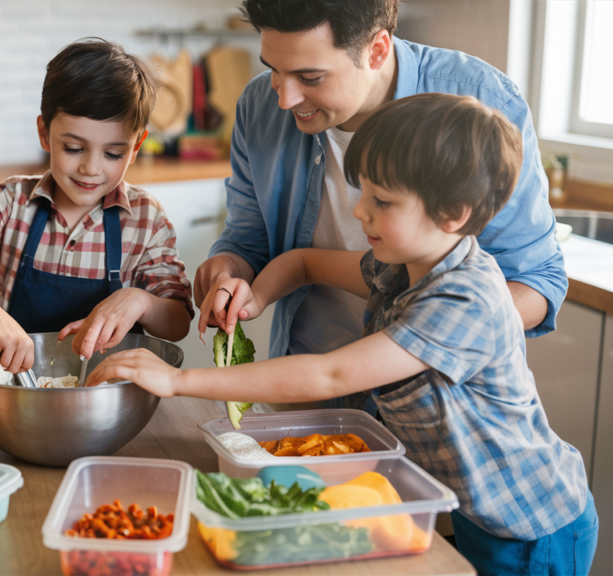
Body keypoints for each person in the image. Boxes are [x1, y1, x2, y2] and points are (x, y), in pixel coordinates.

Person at [85, 94, 597, 576]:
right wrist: (258, 297)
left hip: (533, 525)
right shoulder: (405, 267)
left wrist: (178, 382)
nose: (359, 212)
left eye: (382, 201)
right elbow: (304, 262)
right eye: (362, 193)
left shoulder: (466, 299)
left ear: (453, 215)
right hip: (477, 509)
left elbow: (332, 373)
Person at [193, 0, 566, 411]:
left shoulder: (481, 102)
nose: (285, 99)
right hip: (306, 390)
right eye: (274, 71)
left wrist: (421, 339)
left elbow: (537, 279)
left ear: (377, 49)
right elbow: (255, 244)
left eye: (310, 77)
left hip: (438, 412)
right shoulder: (258, 106)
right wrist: (229, 271)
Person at [0, 39, 194, 373]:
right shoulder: (14, 204)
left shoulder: (145, 218)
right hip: (22, 396)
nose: (91, 168)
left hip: (110, 396)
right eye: (73, 148)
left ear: (137, 144)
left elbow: (178, 323)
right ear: (44, 133)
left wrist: (140, 301)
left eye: (113, 153)